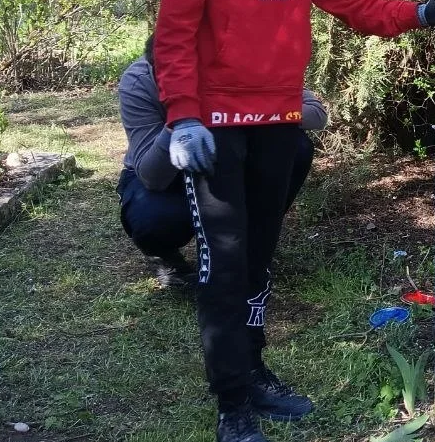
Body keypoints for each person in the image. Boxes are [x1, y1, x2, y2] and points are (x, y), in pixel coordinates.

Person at [154, 0, 435, 442]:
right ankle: (233, 412)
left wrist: (415, 12)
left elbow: (347, 0)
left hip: (277, 124)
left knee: (259, 257)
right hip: (213, 130)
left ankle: (257, 373)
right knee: (223, 265)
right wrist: (181, 116)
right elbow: (173, 33)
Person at [117, 34, 326, 289]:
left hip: (233, 158)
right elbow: (152, 176)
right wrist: (181, 117)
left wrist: (244, 105)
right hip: (172, 175)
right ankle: (165, 254)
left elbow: (316, 115)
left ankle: (251, 244)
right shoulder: (138, 81)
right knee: (152, 219)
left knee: (296, 145)